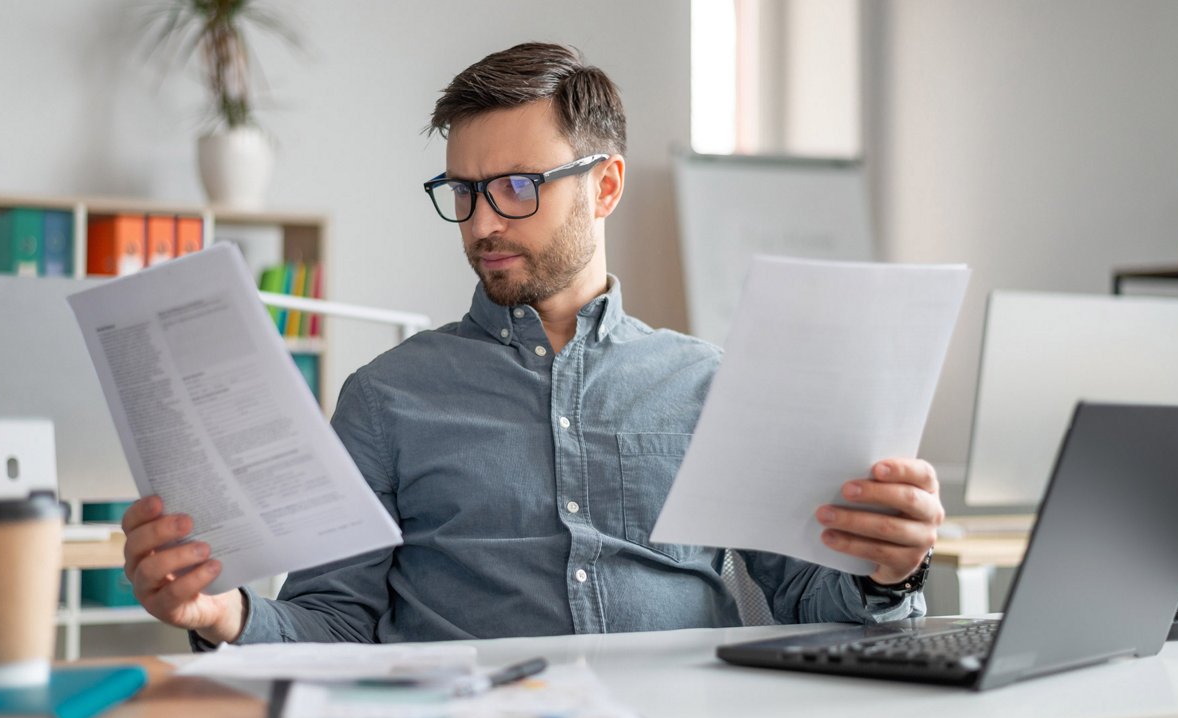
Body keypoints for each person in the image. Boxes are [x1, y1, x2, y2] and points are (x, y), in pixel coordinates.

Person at [121, 42, 944, 648]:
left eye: (517, 187)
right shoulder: (385, 398)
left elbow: (811, 602)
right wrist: (223, 614)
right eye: (464, 191)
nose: (482, 223)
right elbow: (334, 622)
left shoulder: (711, 384)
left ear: (605, 185)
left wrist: (888, 570)